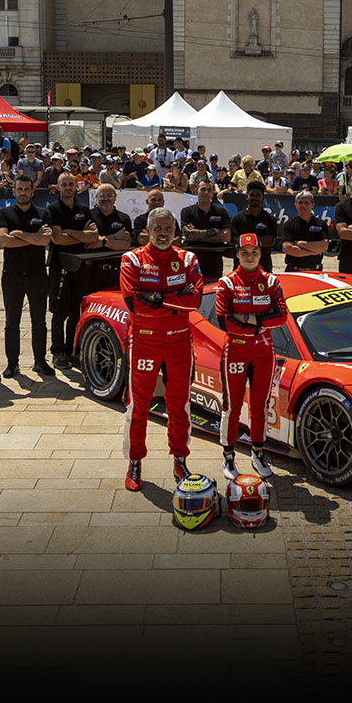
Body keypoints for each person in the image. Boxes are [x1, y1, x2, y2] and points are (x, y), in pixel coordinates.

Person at [119, 207, 203, 491]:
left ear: (175, 232)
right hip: (144, 341)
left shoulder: (188, 259)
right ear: (148, 230)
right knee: (138, 405)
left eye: (168, 228)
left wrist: (155, 298)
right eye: (158, 228)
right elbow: (133, 304)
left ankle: (180, 458)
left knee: (179, 405)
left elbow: (194, 302)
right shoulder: (131, 259)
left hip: (180, 341)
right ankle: (134, 461)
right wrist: (174, 298)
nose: (163, 233)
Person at [215, 233, 287, 481]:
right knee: (232, 405)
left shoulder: (271, 281)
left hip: (264, 352)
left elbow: (283, 317)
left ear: (260, 254)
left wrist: (246, 319)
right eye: (244, 252)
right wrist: (260, 323)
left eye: (253, 252)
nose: (249, 256)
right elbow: (225, 322)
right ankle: (228, 455)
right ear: (237, 254)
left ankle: (258, 453)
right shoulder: (226, 284)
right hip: (235, 349)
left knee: (260, 405)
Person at [0, 175, 55, 378]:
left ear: (32, 191)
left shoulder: (43, 213)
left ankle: (40, 361)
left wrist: (19, 234)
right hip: (12, 275)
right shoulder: (4, 214)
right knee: (12, 322)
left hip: (37, 274)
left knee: (39, 322)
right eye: (19, 189)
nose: (22, 192)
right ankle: (13, 364)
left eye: (26, 189)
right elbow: (4, 240)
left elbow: (45, 240)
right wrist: (32, 236)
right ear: (14, 191)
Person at [43, 171, 99, 369]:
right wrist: (82, 235)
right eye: (64, 184)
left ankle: (72, 350)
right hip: (60, 265)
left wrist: (71, 234)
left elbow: (94, 237)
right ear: (58, 187)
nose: (68, 187)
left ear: (76, 187)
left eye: (71, 184)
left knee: (76, 310)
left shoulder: (84, 209)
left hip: (81, 265)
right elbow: (57, 239)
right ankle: (58, 351)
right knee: (60, 311)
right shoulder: (53, 209)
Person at [180, 177, 232, 278]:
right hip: (192, 260)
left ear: (213, 193)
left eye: (209, 190)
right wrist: (213, 231)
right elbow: (188, 235)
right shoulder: (187, 212)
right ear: (196, 191)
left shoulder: (221, 212)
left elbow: (226, 237)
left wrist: (197, 235)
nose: (206, 192)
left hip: (214, 261)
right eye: (203, 189)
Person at [85, 183, 132, 291]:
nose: (106, 199)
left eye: (109, 195)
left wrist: (102, 241)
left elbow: (125, 245)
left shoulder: (124, 218)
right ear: (96, 197)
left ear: (115, 197)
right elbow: (89, 243)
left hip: (116, 273)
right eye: (102, 195)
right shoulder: (88, 215)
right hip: (92, 272)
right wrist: (115, 237)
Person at [229, 180, 277, 272]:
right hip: (240, 269)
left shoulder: (270, 219)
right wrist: (260, 240)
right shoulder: (237, 219)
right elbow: (236, 241)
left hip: (264, 267)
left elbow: (270, 242)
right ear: (247, 196)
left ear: (263, 197)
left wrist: (245, 240)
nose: (254, 198)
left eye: (258, 195)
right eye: (252, 195)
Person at [281, 191, 329, 271]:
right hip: (294, 271)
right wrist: (313, 252)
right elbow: (288, 248)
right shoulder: (289, 224)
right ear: (295, 205)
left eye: (306, 202)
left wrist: (301, 244)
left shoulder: (321, 224)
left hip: (315, 271)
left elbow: (324, 246)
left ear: (312, 205)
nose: (303, 206)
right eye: (300, 202)